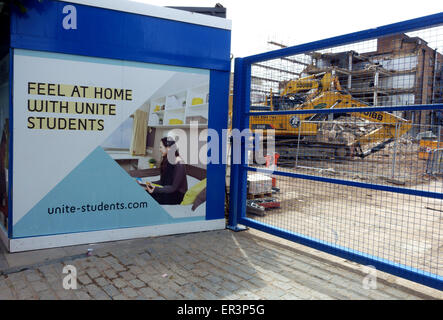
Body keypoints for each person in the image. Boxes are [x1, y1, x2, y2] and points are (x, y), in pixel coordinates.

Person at [144, 137, 188, 205]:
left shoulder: (179, 163)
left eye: (161, 147)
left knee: (149, 198)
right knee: (146, 192)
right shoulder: (167, 160)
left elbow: (173, 188)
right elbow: (163, 181)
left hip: (177, 195)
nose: (159, 149)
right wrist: (149, 183)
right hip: (169, 190)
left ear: (168, 148)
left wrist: (155, 189)